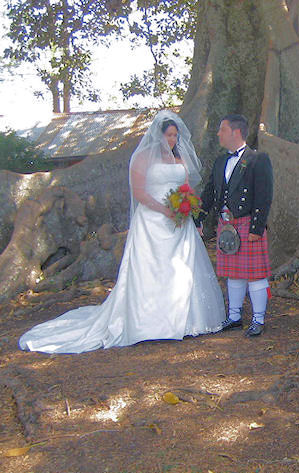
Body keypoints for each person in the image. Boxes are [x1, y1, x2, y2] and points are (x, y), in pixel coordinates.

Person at [19, 111, 226, 353]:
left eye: (175, 136)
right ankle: (150, 323)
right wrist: (164, 210)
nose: (172, 140)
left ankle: (189, 321)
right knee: (151, 269)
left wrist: (186, 207)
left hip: (179, 223)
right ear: (158, 135)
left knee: (182, 268)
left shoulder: (178, 158)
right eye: (169, 135)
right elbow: (139, 193)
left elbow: (186, 187)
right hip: (152, 221)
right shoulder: (142, 159)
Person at [196, 114, 273, 337]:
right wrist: (198, 216)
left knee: (256, 274)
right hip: (226, 224)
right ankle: (235, 316)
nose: (218, 133)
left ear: (235, 132)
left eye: (222, 129)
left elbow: (264, 196)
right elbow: (210, 192)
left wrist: (256, 229)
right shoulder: (221, 161)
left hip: (248, 223)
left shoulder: (259, 159)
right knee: (233, 273)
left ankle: (258, 319)